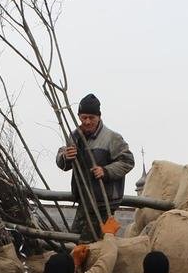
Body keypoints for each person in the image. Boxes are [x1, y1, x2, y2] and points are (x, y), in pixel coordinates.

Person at [55, 94, 134, 242]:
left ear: (99, 116)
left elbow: (128, 161)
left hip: (104, 204)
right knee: (74, 243)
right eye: (84, 117)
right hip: (84, 201)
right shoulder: (75, 136)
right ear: (79, 116)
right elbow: (62, 163)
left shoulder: (112, 138)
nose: (87, 121)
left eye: (91, 117)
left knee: (90, 245)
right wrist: (66, 157)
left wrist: (106, 171)